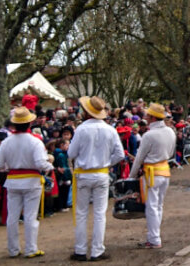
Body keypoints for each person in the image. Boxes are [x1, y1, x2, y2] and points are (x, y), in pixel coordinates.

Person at [67, 96, 124, 261]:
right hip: (101, 174)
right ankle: (97, 250)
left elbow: (71, 153)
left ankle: (80, 250)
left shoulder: (81, 129)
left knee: (81, 213)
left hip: (83, 174)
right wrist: (106, 163)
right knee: (100, 214)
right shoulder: (110, 129)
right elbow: (119, 154)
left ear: (86, 111)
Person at [0, 107, 54, 258]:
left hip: (13, 181)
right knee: (30, 216)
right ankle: (31, 249)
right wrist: (50, 165)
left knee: (12, 217)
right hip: (31, 181)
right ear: (29, 123)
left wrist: (11, 165)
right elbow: (41, 163)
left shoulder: (6, 142)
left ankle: (13, 249)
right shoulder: (35, 141)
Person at [129, 103, 176, 249]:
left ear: (153, 117)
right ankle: (154, 236)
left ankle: (154, 238)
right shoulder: (170, 132)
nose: (146, 117)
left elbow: (139, 158)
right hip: (165, 170)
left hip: (152, 173)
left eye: (148, 115)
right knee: (158, 206)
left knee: (152, 207)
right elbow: (171, 153)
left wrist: (131, 176)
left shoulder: (149, 135)